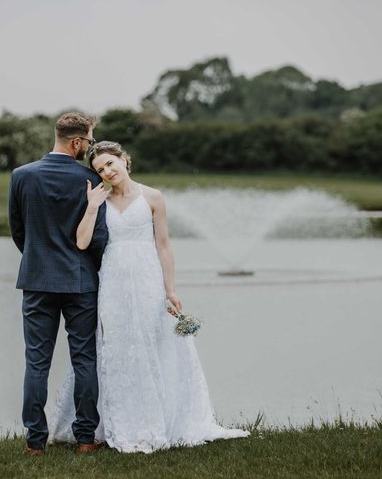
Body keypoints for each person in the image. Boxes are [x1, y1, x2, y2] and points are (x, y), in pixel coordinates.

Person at [49, 141, 249, 453]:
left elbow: (164, 246)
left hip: (147, 279)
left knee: (155, 343)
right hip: (113, 279)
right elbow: (82, 242)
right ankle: (112, 421)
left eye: (110, 164)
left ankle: (160, 417)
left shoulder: (153, 197)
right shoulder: (98, 200)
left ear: (124, 160)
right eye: (100, 169)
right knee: (115, 345)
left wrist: (170, 289)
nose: (107, 172)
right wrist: (90, 206)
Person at [8, 112, 108, 456]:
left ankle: (35, 442)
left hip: (37, 280)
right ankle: (84, 438)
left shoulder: (21, 176)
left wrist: (39, 259)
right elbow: (98, 237)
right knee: (84, 360)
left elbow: (18, 231)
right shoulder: (90, 179)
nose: (90, 148)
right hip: (81, 281)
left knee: (36, 362)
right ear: (77, 142)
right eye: (90, 141)